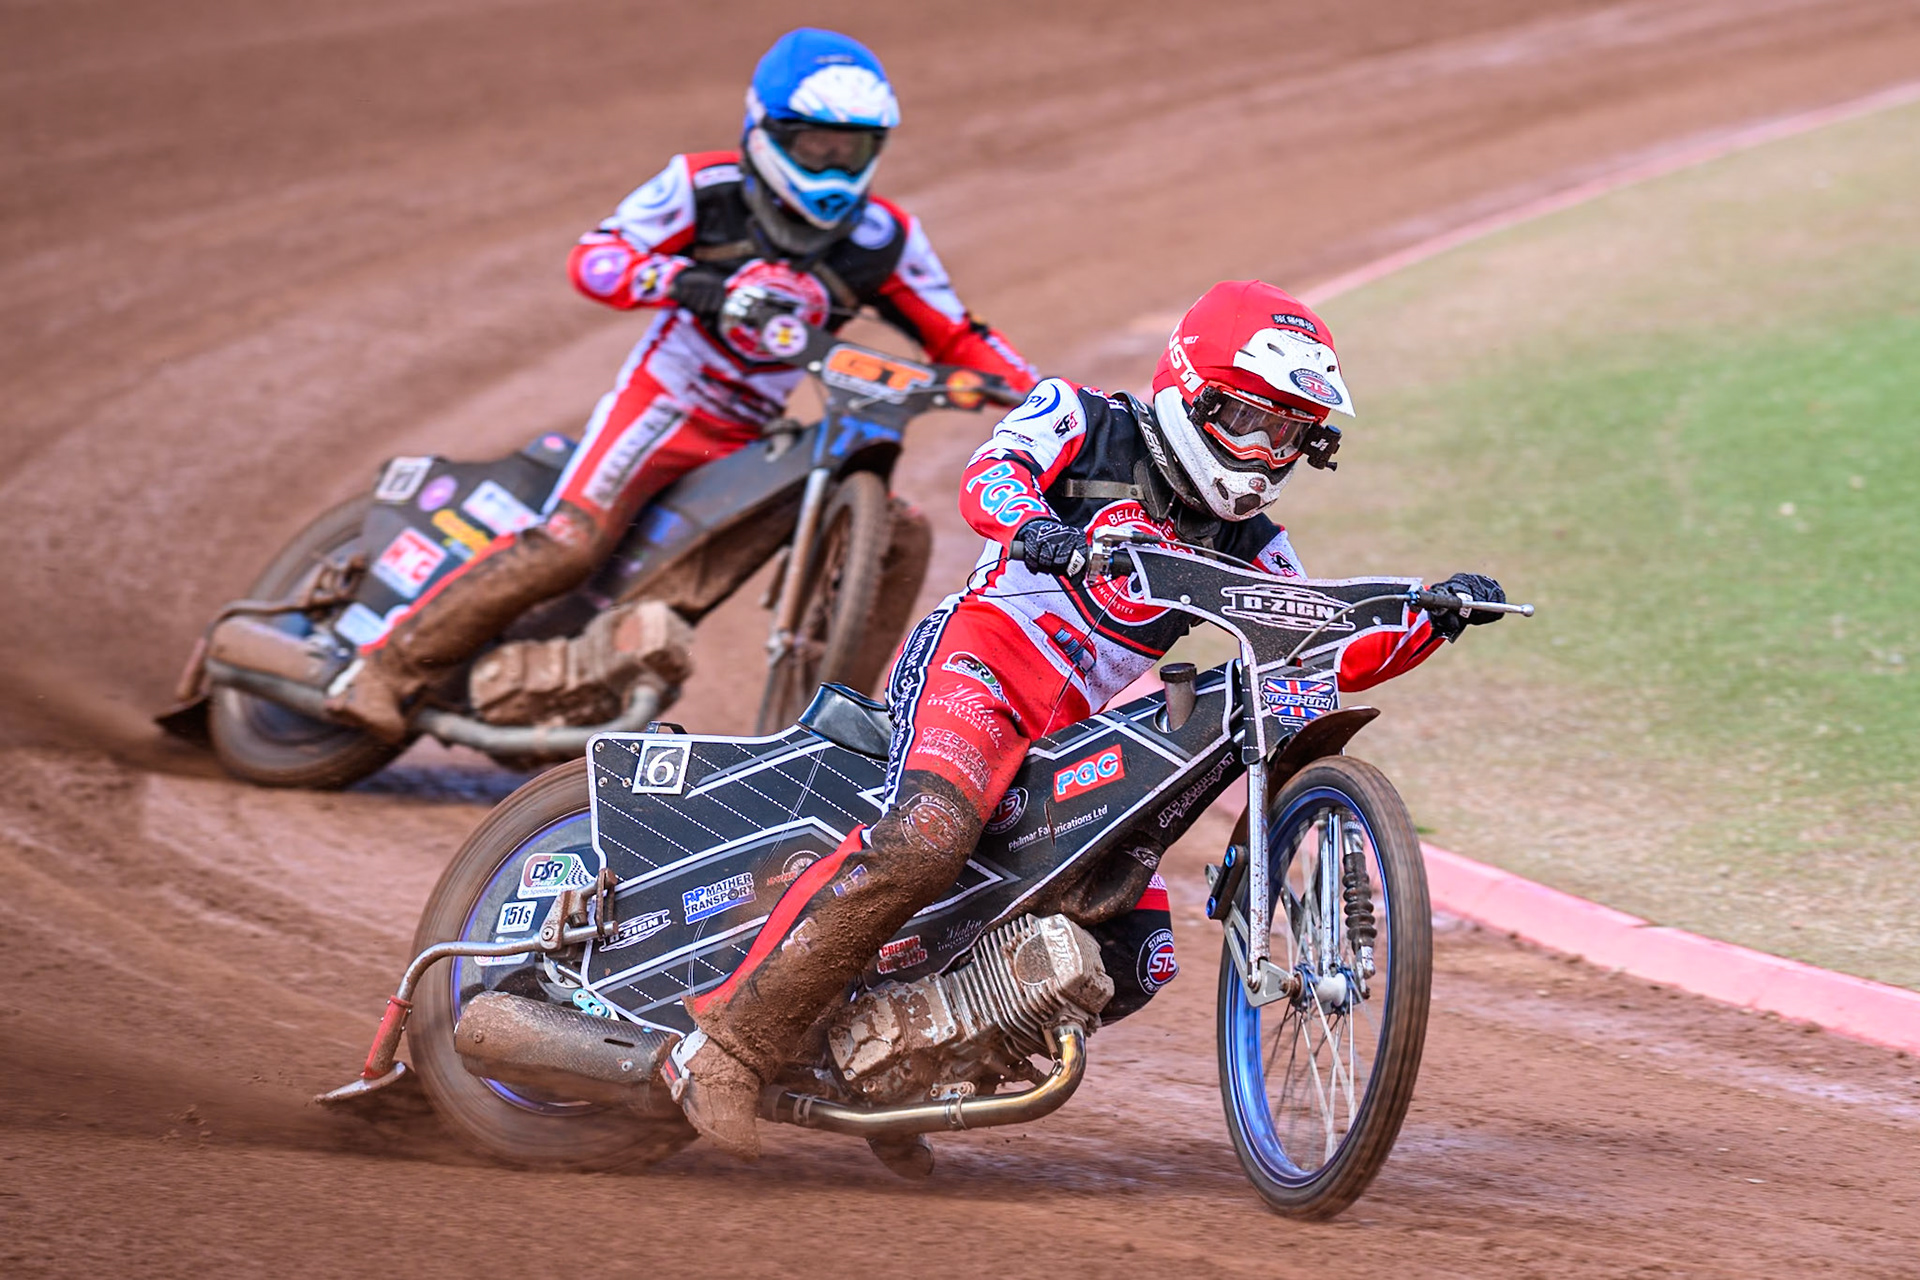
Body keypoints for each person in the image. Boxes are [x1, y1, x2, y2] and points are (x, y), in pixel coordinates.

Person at [666, 279, 1507, 1160]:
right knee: (928, 836)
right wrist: (1039, 529)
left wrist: (1431, 620)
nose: (1264, 456)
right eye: (1250, 422)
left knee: (1133, 952)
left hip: (1069, 729)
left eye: (1291, 435)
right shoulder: (1082, 416)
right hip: (977, 666)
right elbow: (989, 476)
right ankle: (726, 1046)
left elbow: (1311, 652)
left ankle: (908, 1073)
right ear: (1191, 392)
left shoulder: (1258, 546)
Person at [326, 28, 1036, 741]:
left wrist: (1041, 400)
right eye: (812, 144)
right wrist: (690, 283)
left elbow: (958, 333)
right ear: (763, 131)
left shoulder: (887, 237)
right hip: (665, 402)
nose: (830, 166)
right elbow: (596, 259)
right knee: (570, 542)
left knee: (899, 533)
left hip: (757, 434)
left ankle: (829, 729)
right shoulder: (703, 187)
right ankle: (382, 669)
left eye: (848, 149)